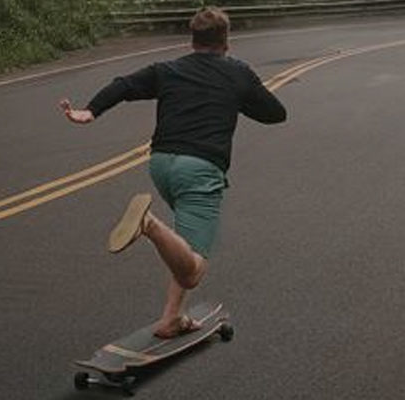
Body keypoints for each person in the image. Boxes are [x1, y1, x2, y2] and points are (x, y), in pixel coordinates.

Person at [60, 6, 287, 338]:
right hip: (199, 170)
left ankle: (171, 318)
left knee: (185, 242)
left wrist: (90, 111)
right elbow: (276, 113)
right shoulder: (238, 73)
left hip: (161, 164)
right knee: (193, 270)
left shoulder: (169, 69)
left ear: (192, 40)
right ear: (226, 41)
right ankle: (149, 225)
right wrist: (238, 96)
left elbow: (124, 85)